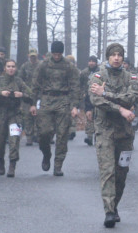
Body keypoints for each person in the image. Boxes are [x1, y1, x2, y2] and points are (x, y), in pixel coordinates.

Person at [89, 43, 138, 228]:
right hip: (105, 130)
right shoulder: (98, 76)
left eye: (120, 55)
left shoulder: (132, 77)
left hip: (125, 132)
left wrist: (106, 93)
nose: (117, 58)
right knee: (108, 171)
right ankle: (109, 211)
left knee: (121, 172)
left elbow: (132, 97)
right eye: (113, 55)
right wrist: (120, 108)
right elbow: (96, 100)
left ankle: (115, 205)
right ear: (108, 57)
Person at [30, 40, 80, 176]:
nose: (57, 56)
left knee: (62, 134)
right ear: (51, 53)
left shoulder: (69, 66)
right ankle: (46, 154)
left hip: (63, 100)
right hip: (46, 99)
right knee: (44, 132)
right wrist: (33, 103)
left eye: (59, 54)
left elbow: (75, 86)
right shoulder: (43, 65)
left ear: (62, 53)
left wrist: (75, 106)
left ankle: (58, 165)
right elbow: (35, 84)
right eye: (55, 54)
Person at [0, 59, 33, 177]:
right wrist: (0, 93)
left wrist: (22, 95)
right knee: (0, 142)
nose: (11, 68)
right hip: (1, 114)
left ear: (16, 68)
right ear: (5, 68)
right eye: (9, 66)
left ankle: (12, 165)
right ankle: (1, 161)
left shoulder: (19, 81)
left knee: (14, 140)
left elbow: (31, 95)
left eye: (13, 66)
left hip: (15, 114)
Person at [19, 51, 40, 145]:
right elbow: (20, 79)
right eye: (31, 56)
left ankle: (38, 135)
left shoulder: (41, 66)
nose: (33, 58)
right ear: (28, 56)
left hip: (39, 94)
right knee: (27, 116)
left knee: (38, 116)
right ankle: (29, 137)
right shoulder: (24, 66)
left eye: (34, 56)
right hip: (27, 94)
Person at [79, 55, 100, 145]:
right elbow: (81, 84)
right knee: (89, 115)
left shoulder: (100, 72)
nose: (91, 63)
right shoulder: (84, 72)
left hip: (98, 96)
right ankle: (89, 136)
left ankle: (97, 136)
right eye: (90, 61)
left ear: (96, 63)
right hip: (87, 96)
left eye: (93, 61)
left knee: (98, 116)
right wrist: (82, 93)